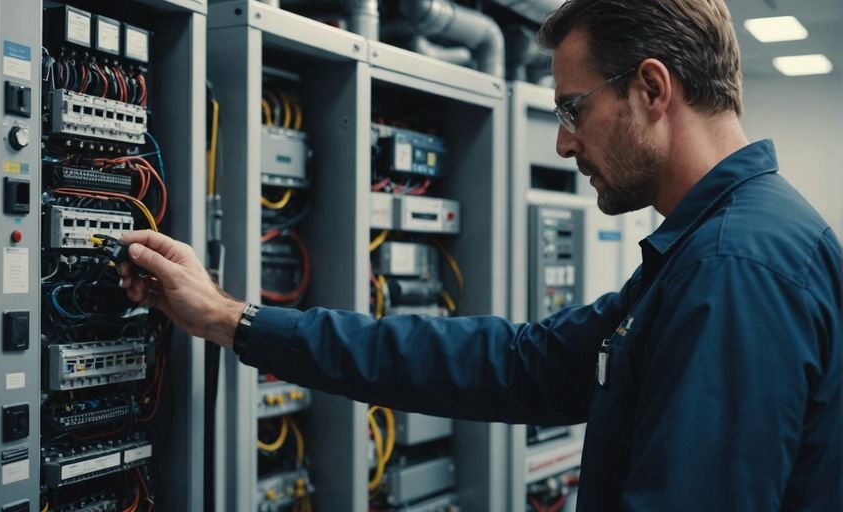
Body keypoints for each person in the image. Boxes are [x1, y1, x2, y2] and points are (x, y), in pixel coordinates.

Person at [118, 0, 842, 509]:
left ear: (652, 89)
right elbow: (514, 365)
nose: (563, 142)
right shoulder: (726, 245)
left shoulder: (733, 268)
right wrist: (234, 319)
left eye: (572, 108)